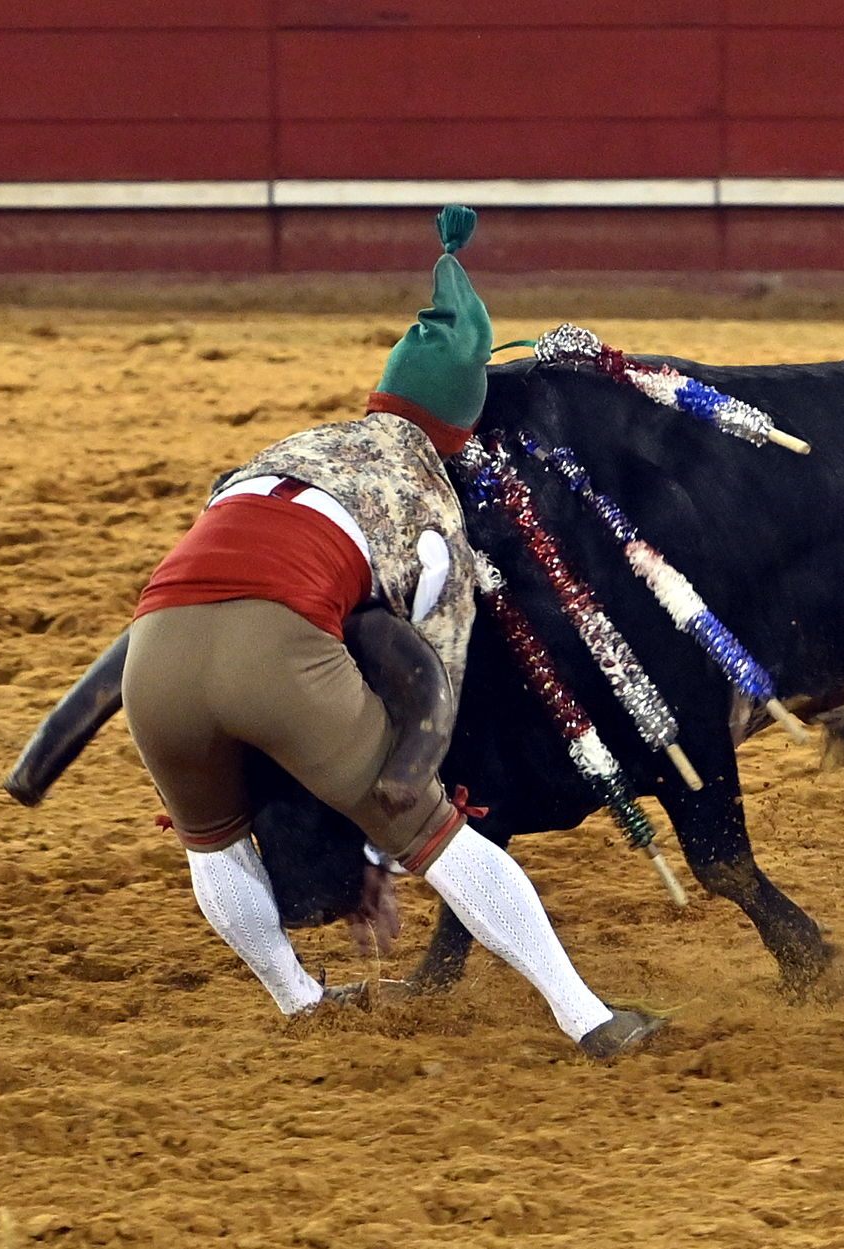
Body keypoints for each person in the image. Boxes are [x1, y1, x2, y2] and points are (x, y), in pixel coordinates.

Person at [121, 206, 663, 1059]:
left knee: (212, 840)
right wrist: (387, 830)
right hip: (278, 653)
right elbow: (428, 679)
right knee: (438, 834)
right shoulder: (432, 499)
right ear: (461, 426)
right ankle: (585, 1017)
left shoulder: (290, 443)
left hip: (153, 650)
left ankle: (298, 1000)